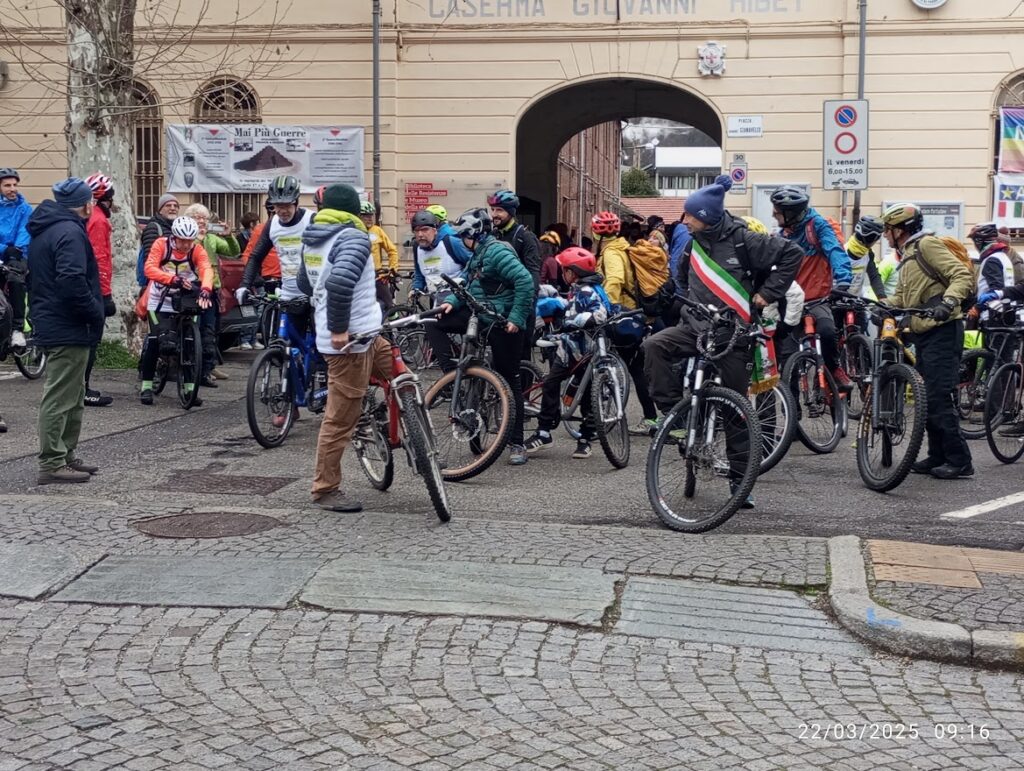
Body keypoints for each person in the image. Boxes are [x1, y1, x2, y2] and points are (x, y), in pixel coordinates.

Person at [643, 175, 803, 505]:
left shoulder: (745, 240)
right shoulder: (692, 243)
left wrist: (765, 294)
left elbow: (792, 254)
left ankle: (739, 483)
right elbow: (682, 279)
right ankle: (677, 415)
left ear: (707, 216)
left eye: (690, 215)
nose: (684, 220)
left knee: (736, 409)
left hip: (733, 334)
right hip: (694, 329)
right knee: (654, 345)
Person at [305, 184, 388, 513]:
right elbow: (339, 282)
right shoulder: (352, 237)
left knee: (403, 378)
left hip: (367, 334)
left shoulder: (313, 237)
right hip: (349, 342)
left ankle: (407, 429)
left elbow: (304, 282)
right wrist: (339, 329)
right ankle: (325, 489)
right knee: (340, 419)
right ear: (355, 210)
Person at [430, 208, 535, 465]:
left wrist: (516, 319)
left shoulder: (498, 251)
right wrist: (452, 303)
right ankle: (451, 371)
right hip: (482, 313)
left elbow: (525, 282)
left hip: (503, 320)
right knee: (435, 322)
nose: (462, 240)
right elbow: (468, 283)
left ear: (475, 234)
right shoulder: (478, 253)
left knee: (510, 381)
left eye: (464, 235)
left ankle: (516, 443)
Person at [883, 203, 974, 479]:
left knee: (938, 395)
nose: (885, 235)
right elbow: (902, 297)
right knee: (926, 397)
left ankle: (960, 460)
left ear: (900, 229)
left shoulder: (927, 245)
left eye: (888, 230)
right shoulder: (908, 254)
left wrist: (948, 302)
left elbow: (962, 275)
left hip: (943, 330)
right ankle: (937, 455)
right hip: (923, 333)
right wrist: (881, 306)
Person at [26, 178, 105, 484]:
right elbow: (71, 280)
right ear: (86, 204)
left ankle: (65, 454)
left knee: (73, 393)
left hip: (57, 320)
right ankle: (52, 461)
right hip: (67, 324)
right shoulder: (70, 232)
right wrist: (94, 311)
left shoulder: (48, 228)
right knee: (61, 395)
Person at [524, 246, 610, 459]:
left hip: (579, 350)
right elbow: (573, 306)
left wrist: (573, 322)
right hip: (577, 349)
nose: (564, 274)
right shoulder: (583, 287)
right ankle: (582, 439)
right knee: (577, 391)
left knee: (557, 386)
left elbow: (600, 314)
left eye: (565, 270)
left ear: (573, 272)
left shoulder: (587, 291)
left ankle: (548, 433)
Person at [770, 186, 853, 389]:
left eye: (777, 211)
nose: (773, 214)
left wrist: (843, 279)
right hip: (791, 303)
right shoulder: (781, 236)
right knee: (787, 358)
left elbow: (835, 250)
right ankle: (792, 412)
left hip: (818, 298)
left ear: (790, 213)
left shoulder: (817, 227)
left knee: (827, 330)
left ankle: (834, 368)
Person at [591, 210, 660, 435]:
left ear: (596, 234)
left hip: (620, 315)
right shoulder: (621, 246)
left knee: (630, 367)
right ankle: (650, 417)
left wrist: (605, 309)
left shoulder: (611, 253)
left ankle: (648, 417)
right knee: (636, 368)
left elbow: (615, 280)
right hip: (629, 313)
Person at [138, 215, 214, 405]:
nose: (187, 244)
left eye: (190, 240)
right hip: (160, 299)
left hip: (185, 299)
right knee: (157, 341)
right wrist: (171, 279)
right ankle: (146, 386)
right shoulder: (161, 245)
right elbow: (149, 268)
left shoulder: (197, 249)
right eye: (182, 240)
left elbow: (206, 269)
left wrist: (205, 289)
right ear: (174, 237)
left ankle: (190, 389)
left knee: (190, 343)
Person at [238, 176, 315, 338]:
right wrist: (244, 285)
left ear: (296, 202)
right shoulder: (272, 225)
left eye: (286, 205)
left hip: (314, 295)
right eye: (278, 206)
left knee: (319, 347)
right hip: (289, 295)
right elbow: (256, 257)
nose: (282, 211)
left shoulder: (311, 220)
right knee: (285, 344)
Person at [183, 203, 239, 386]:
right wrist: (198, 238)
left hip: (212, 289)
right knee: (194, 330)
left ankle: (207, 368)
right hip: (192, 289)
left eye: (204, 218)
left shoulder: (212, 239)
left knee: (210, 330)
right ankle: (192, 370)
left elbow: (234, 252)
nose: (201, 221)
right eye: (197, 217)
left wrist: (229, 235)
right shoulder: (186, 238)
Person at [488, 189, 541, 359]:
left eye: (500, 210)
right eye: (493, 209)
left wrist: (527, 304)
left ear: (511, 212)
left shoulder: (525, 237)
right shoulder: (493, 235)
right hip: (500, 304)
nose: (494, 214)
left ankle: (522, 386)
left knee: (520, 356)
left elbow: (533, 272)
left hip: (521, 303)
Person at [83, 172, 117, 406]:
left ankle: (80, 388)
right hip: (93, 288)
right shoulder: (99, 220)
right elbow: (100, 259)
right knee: (90, 341)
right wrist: (106, 295)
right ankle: (83, 389)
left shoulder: (90, 216)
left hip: (85, 285)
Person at [0, 167, 32, 349]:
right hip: (3, 251)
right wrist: (4, 248)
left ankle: (17, 329)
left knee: (15, 280)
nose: (12, 189)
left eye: (14, 185)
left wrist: (15, 249)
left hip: (17, 255)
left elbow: (24, 233)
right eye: (7, 185)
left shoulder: (24, 209)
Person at [409, 209, 465, 298]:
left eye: (425, 230)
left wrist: (462, 281)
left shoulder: (450, 242)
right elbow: (419, 272)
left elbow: (472, 265)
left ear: (435, 230)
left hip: (457, 299)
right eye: (416, 230)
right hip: (435, 298)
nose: (420, 234)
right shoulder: (417, 247)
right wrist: (416, 288)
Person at [359, 200, 399, 309]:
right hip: (360, 276)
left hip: (378, 275)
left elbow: (392, 250)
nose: (370, 218)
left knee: (389, 304)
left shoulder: (377, 231)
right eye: (365, 216)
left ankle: (396, 323)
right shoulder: (353, 231)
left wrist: (392, 269)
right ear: (358, 216)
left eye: (371, 215)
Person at [138, 194, 178, 286]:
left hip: (171, 279)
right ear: (160, 210)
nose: (173, 208)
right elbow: (148, 259)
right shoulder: (153, 227)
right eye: (168, 205)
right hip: (157, 281)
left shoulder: (175, 228)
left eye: (175, 206)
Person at [846, 215, 888, 300]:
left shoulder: (868, 253)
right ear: (871, 238)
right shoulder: (842, 253)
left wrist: (882, 298)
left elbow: (874, 276)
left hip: (857, 301)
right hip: (837, 302)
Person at [969, 222, 1015, 299]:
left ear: (979, 241)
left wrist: (977, 308)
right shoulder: (1002, 256)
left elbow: (996, 290)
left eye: (974, 241)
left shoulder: (991, 260)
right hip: (1004, 306)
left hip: (991, 308)